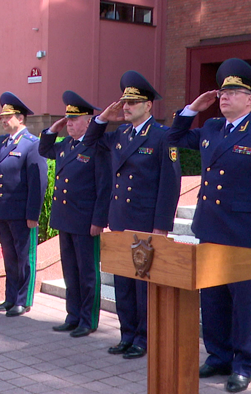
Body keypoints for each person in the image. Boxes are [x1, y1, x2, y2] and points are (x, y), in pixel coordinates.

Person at [167, 58, 251, 393]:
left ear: (250, 99)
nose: (225, 96)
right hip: (210, 229)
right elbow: (173, 138)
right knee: (213, 299)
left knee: (241, 304)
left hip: (243, 233)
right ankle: (218, 355)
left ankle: (243, 364)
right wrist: (192, 108)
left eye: (233, 92)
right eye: (222, 91)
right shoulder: (210, 130)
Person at [84, 70, 181, 359]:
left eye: (133, 102)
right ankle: (127, 334)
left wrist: (162, 225)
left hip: (145, 222)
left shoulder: (164, 136)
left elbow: (170, 184)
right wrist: (103, 118)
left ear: (148, 105)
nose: (126, 107)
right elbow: (89, 141)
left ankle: (144, 337)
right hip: (120, 220)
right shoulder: (120, 134)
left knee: (142, 285)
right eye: (124, 102)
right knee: (123, 282)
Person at [38, 91, 111, 338]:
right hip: (64, 217)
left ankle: (88, 320)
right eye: (67, 119)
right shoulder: (65, 146)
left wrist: (99, 220)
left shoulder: (96, 147)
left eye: (74, 119)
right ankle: (72, 315)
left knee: (87, 272)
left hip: (85, 220)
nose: (68, 123)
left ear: (88, 122)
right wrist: (54, 127)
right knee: (70, 270)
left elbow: (103, 186)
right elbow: (43, 148)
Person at [0, 92, 48, 317]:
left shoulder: (32, 144)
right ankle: (9, 298)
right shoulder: (1, 142)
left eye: (9, 116)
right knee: (9, 257)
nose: (5, 120)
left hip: (21, 212)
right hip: (3, 210)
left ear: (21, 119)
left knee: (25, 257)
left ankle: (23, 300)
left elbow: (38, 182)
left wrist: (33, 213)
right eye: (3, 116)